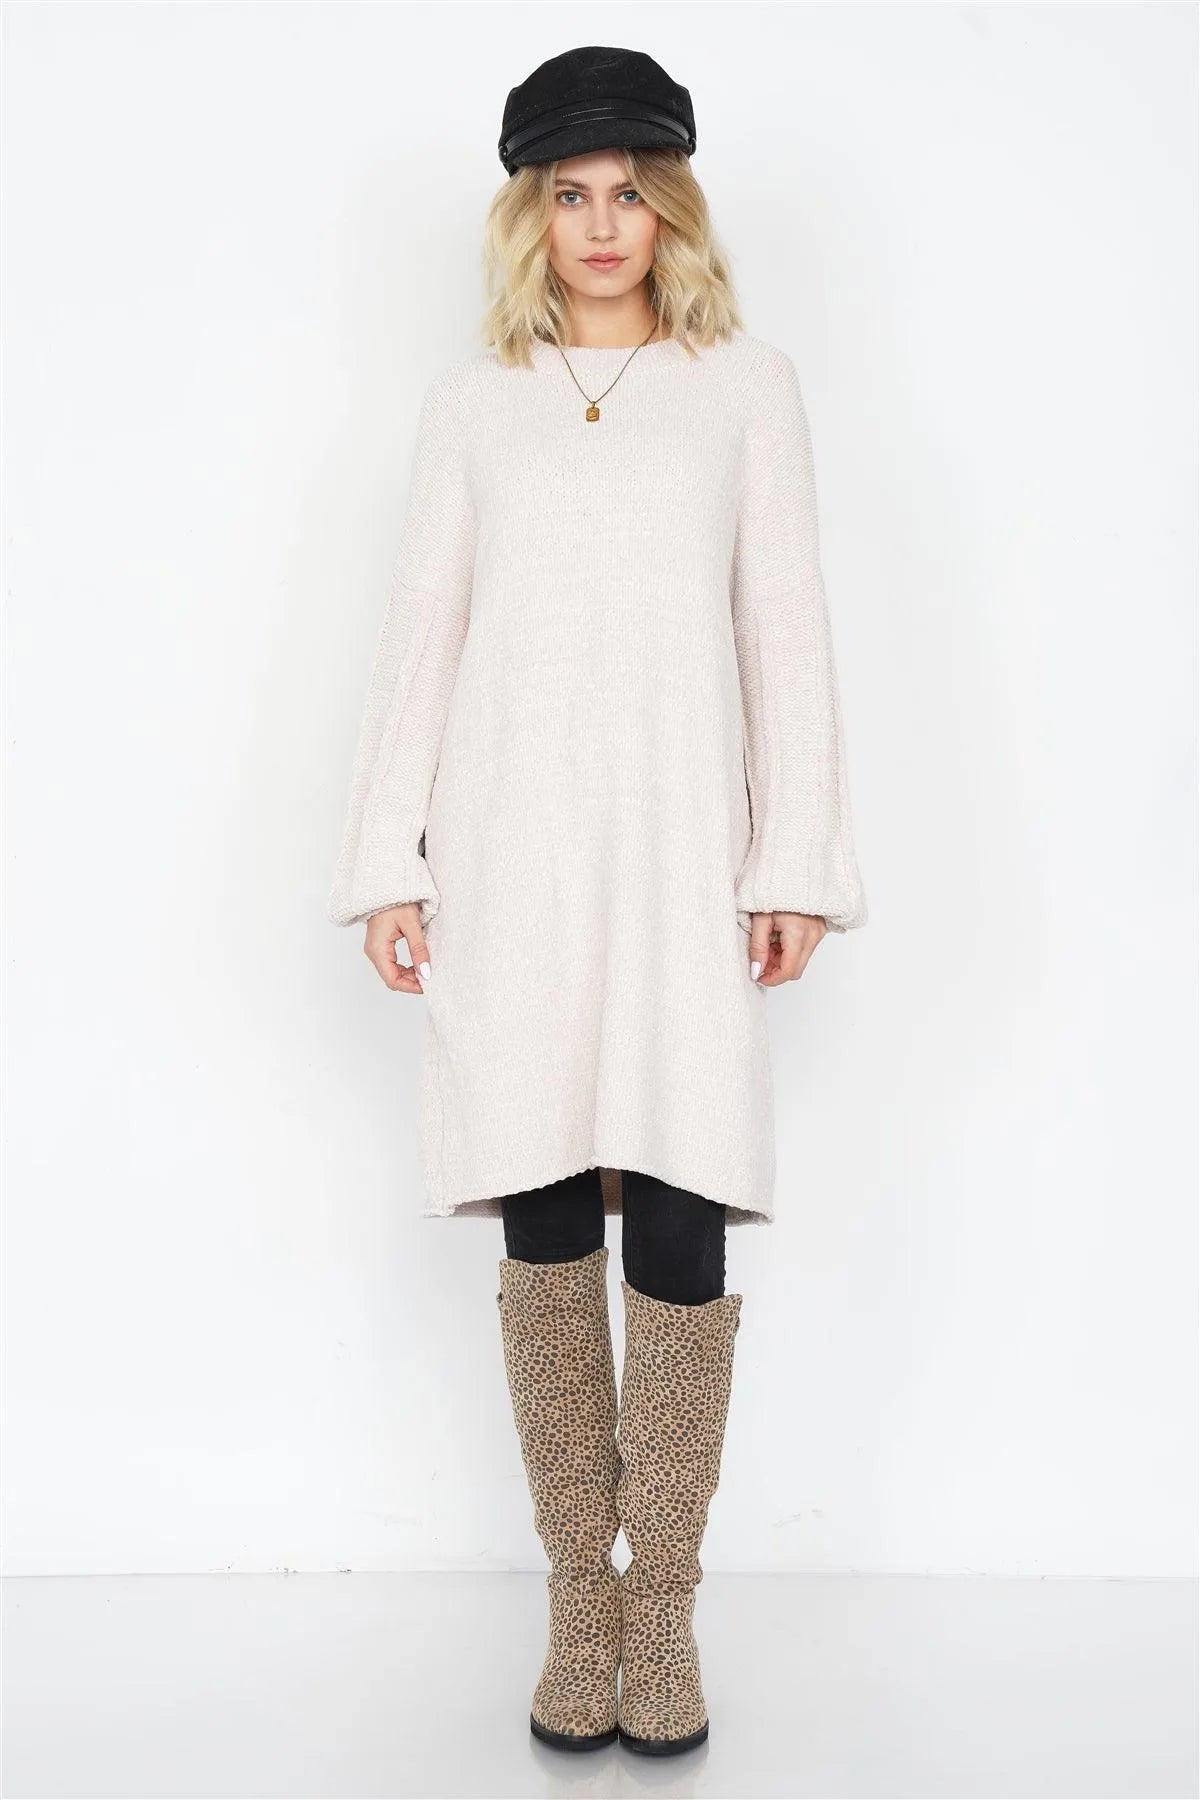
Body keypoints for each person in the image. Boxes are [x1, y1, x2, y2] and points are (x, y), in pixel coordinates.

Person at [328, 44, 868, 1758]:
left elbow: (787, 634)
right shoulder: (474, 402)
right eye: (570, 193)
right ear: (531, 215)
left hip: (685, 859)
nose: (603, 223)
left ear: (673, 207)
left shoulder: (746, 387)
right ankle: (581, 1599)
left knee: (685, 1212)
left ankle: (666, 1610)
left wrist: (795, 863)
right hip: (513, 860)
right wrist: (389, 858)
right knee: (548, 1213)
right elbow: (422, 636)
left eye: (632, 191)